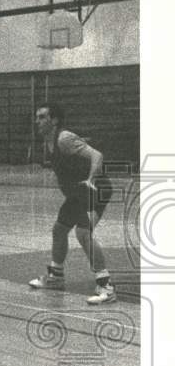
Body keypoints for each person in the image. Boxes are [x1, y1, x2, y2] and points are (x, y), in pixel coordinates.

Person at [29, 105, 116, 305]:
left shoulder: (64, 138)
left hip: (95, 189)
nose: (37, 121)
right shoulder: (48, 142)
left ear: (54, 120)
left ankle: (106, 287)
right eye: (36, 117)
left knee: (83, 233)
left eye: (42, 117)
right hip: (78, 194)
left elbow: (97, 155)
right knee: (59, 230)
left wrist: (91, 179)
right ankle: (56, 277)